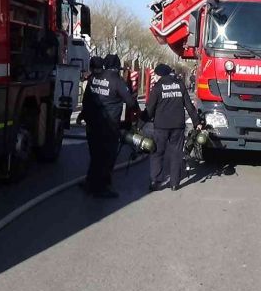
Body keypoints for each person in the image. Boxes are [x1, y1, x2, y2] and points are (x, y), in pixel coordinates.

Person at [80, 54, 139, 198]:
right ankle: (101, 187)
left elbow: (86, 99)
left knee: (95, 155)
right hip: (109, 126)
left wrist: (83, 115)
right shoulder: (117, 81)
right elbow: (130, 103)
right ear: (117, 67)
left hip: (92, 123)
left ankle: (90, 183)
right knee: (107, 156)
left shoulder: (94, 78)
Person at [145, 63, 201, 191]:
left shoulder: (157, 87)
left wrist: (140, 124)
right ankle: (175, 183)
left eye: (155, 75)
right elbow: (189, 105)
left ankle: (156, 181)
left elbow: (149, 108)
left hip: (161, 126)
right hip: (178, 126)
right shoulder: (180, 85)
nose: (154, 77)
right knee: (176, 153)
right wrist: (196, 122)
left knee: (157, 152)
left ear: (159, 75)